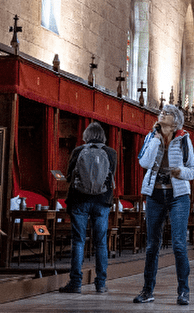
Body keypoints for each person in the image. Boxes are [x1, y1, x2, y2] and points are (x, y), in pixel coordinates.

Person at [133, 105, 194, 306]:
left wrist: (181, 172)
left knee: (179, 245)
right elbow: (143, 163)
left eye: (167, 113)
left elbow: (193, 170)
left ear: (176, 120)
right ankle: (147, 291)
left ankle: (183, 291)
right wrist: (156, 140)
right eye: (161, 112)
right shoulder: (150, 137)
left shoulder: (184, 139)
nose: (162, 114)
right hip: (155, 195)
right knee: (152, 245)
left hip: (178, 195)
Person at [59, 122, 117, 294]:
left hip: (79, 200)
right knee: (100, 243)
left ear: (86, 135)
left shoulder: (78, 151)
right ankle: (101, 284)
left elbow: (69, 176)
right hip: (102, 201)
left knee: (78, 241)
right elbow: (111, 176)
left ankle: (75, 283)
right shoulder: (111, 153)